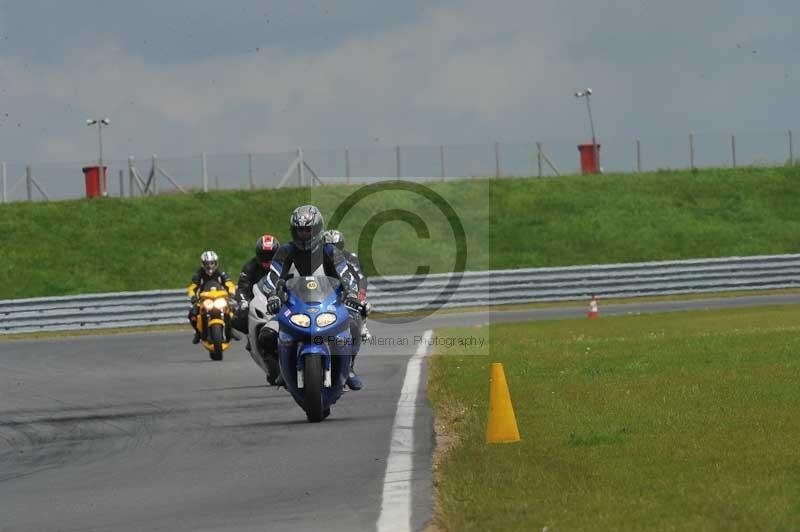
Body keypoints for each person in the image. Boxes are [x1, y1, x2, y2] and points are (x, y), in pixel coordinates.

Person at [260, 205, 367, 390]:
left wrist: (351, 293)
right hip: (293, 307)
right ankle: (283, 372)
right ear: (293, 231)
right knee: (266, 335)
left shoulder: (330, 251)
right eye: (299, 230)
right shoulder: (285, 252)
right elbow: (273, 277)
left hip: (329, 306)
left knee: (354, 323)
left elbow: (346, 275)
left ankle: (348, 368)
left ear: (317, 229)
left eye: (307, 230)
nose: (303, 234)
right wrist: (272, 296)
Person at [322, 229, 371, 341]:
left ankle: (362, 325)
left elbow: (361, 277)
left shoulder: (350, 257)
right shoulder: (318, 260)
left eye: (336, 245)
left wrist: (360, 294)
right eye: (329, 246)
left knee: (364, 305)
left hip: (348, 289)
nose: (332, 249)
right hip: (325, 290)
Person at [232, 234, 280, 337]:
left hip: (280, 299)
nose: (268, 260)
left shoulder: (285, 265)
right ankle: (252, 336)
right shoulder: (250, 267)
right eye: (264, 256)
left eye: (271, 256)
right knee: (239, 317)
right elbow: (242, 288)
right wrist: (244, 302)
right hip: (258, 301)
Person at [187, 250, 236, 344]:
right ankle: (198, 333)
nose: (209, 266)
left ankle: (231, 329)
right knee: (192, 313)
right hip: (204, 299)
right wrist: (193, 297)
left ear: (216, 263)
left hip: (220, 298)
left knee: (234, 309)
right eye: (207, 264)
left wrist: (231, 292)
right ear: (203, 264)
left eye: (212, 263)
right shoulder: (199, 274)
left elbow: (229, 283)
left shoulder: (221, 273)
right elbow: (192, 287)